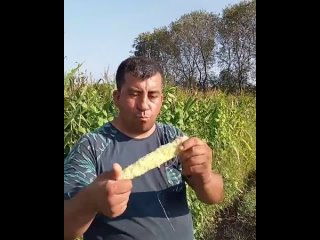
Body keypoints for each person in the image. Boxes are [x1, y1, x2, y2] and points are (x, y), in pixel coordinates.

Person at [64, 56, 224, 240]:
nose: (144, 105)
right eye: (134, 94)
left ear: (162, 99)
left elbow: (213, 197)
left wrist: (205, 176)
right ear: (117, 98)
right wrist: (90, 202)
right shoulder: (91, 146)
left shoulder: (172, 137)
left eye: (153, 95)